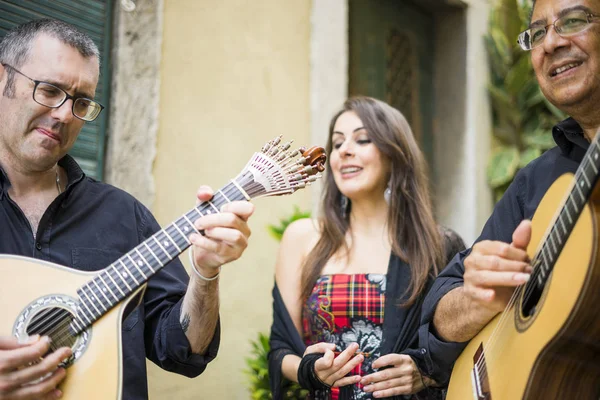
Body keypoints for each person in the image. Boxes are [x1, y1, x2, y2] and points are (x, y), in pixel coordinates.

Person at [0, 19, 253, 400]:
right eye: (49, 91)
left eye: (81, 102)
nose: (66, 114)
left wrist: (206, 272)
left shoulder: (124, 215)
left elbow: (183, 351)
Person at [417, 0, 600, 386]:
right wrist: (479, 297)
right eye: (536, 33)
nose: (549, 43)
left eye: (572, 21)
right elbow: (439, 311)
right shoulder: (535, 180)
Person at [268, 96, 466, 399]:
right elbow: (280, 349)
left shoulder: (437, 245)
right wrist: (311, 372)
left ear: (393, 154)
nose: (345, 150)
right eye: (337, 144)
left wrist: (427, 372)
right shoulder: (303, 237)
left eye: (362, 140)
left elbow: (464, 344)